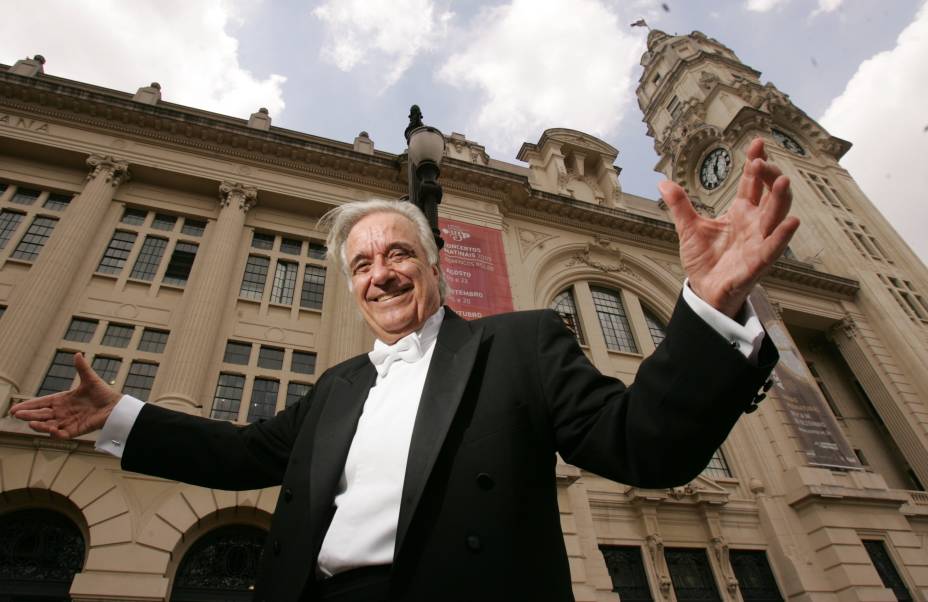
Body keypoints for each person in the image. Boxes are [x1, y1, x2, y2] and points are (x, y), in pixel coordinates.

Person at [13, 138, 797, 602]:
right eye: (361, 265)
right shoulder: (338, 389)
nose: (380, 274)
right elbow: (242, 454)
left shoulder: (519, 346)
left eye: (397, 255)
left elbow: (644, 446)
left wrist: (709, 300)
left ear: (433, 263)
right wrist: (118, 416)